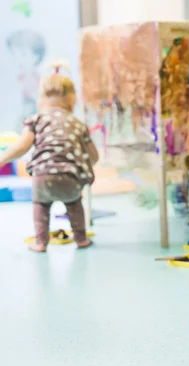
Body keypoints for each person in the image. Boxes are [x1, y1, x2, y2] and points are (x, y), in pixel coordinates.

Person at [0, 62, 99, 252]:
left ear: (41, 99)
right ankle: (81, 239)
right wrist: (85, 166)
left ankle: (40, 242)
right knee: (74, 203)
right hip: (71, 178)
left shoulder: (36, 119)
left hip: (43, 177)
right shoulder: (78, 124)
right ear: (72, 100)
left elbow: (23, 146)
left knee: (41, 205)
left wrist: (3, 159)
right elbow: (93, 155)